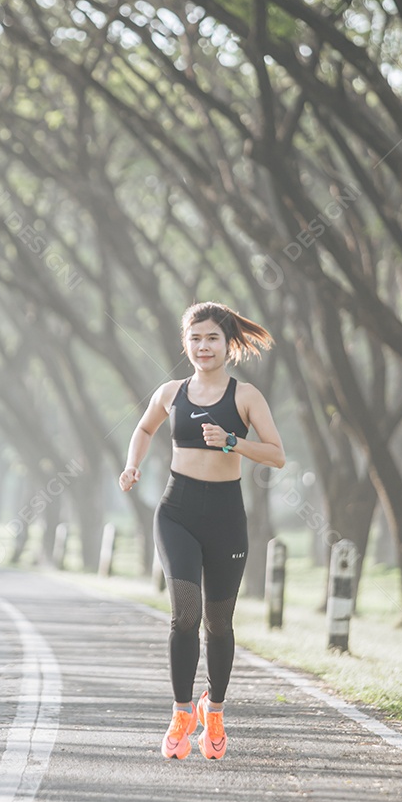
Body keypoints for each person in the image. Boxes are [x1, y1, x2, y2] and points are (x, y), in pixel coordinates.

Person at [119, 301, 285, 760]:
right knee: (184, 615)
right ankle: (181, 710)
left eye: (212, 337)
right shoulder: (172, 392)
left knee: (218, 623)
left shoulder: (246, 396)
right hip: (177, 513)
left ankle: (214, 713)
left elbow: (276, 454)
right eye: (195, 338)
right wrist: (132, 465)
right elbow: (143, 428)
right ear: (185, 344)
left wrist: (233, 441)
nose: (203, 346)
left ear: (227, 344)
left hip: (226, 517)